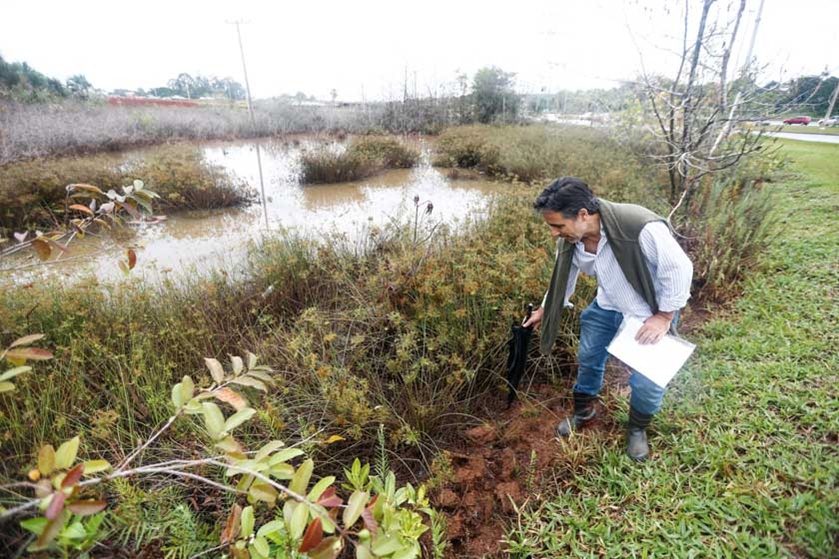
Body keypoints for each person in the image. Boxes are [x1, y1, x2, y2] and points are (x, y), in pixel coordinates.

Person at [523, 177, 693, 461]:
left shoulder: (640, 226)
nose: (554, 234)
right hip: (607, 305)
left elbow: (678, 269)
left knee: (648, 379)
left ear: (582, 215)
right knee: (589, 357)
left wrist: (663, 317)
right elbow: (563, 277)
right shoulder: (572, 239)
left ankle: (637, 428)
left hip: (646, 313)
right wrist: (546, 309)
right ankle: (583, 411)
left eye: (557, 226)